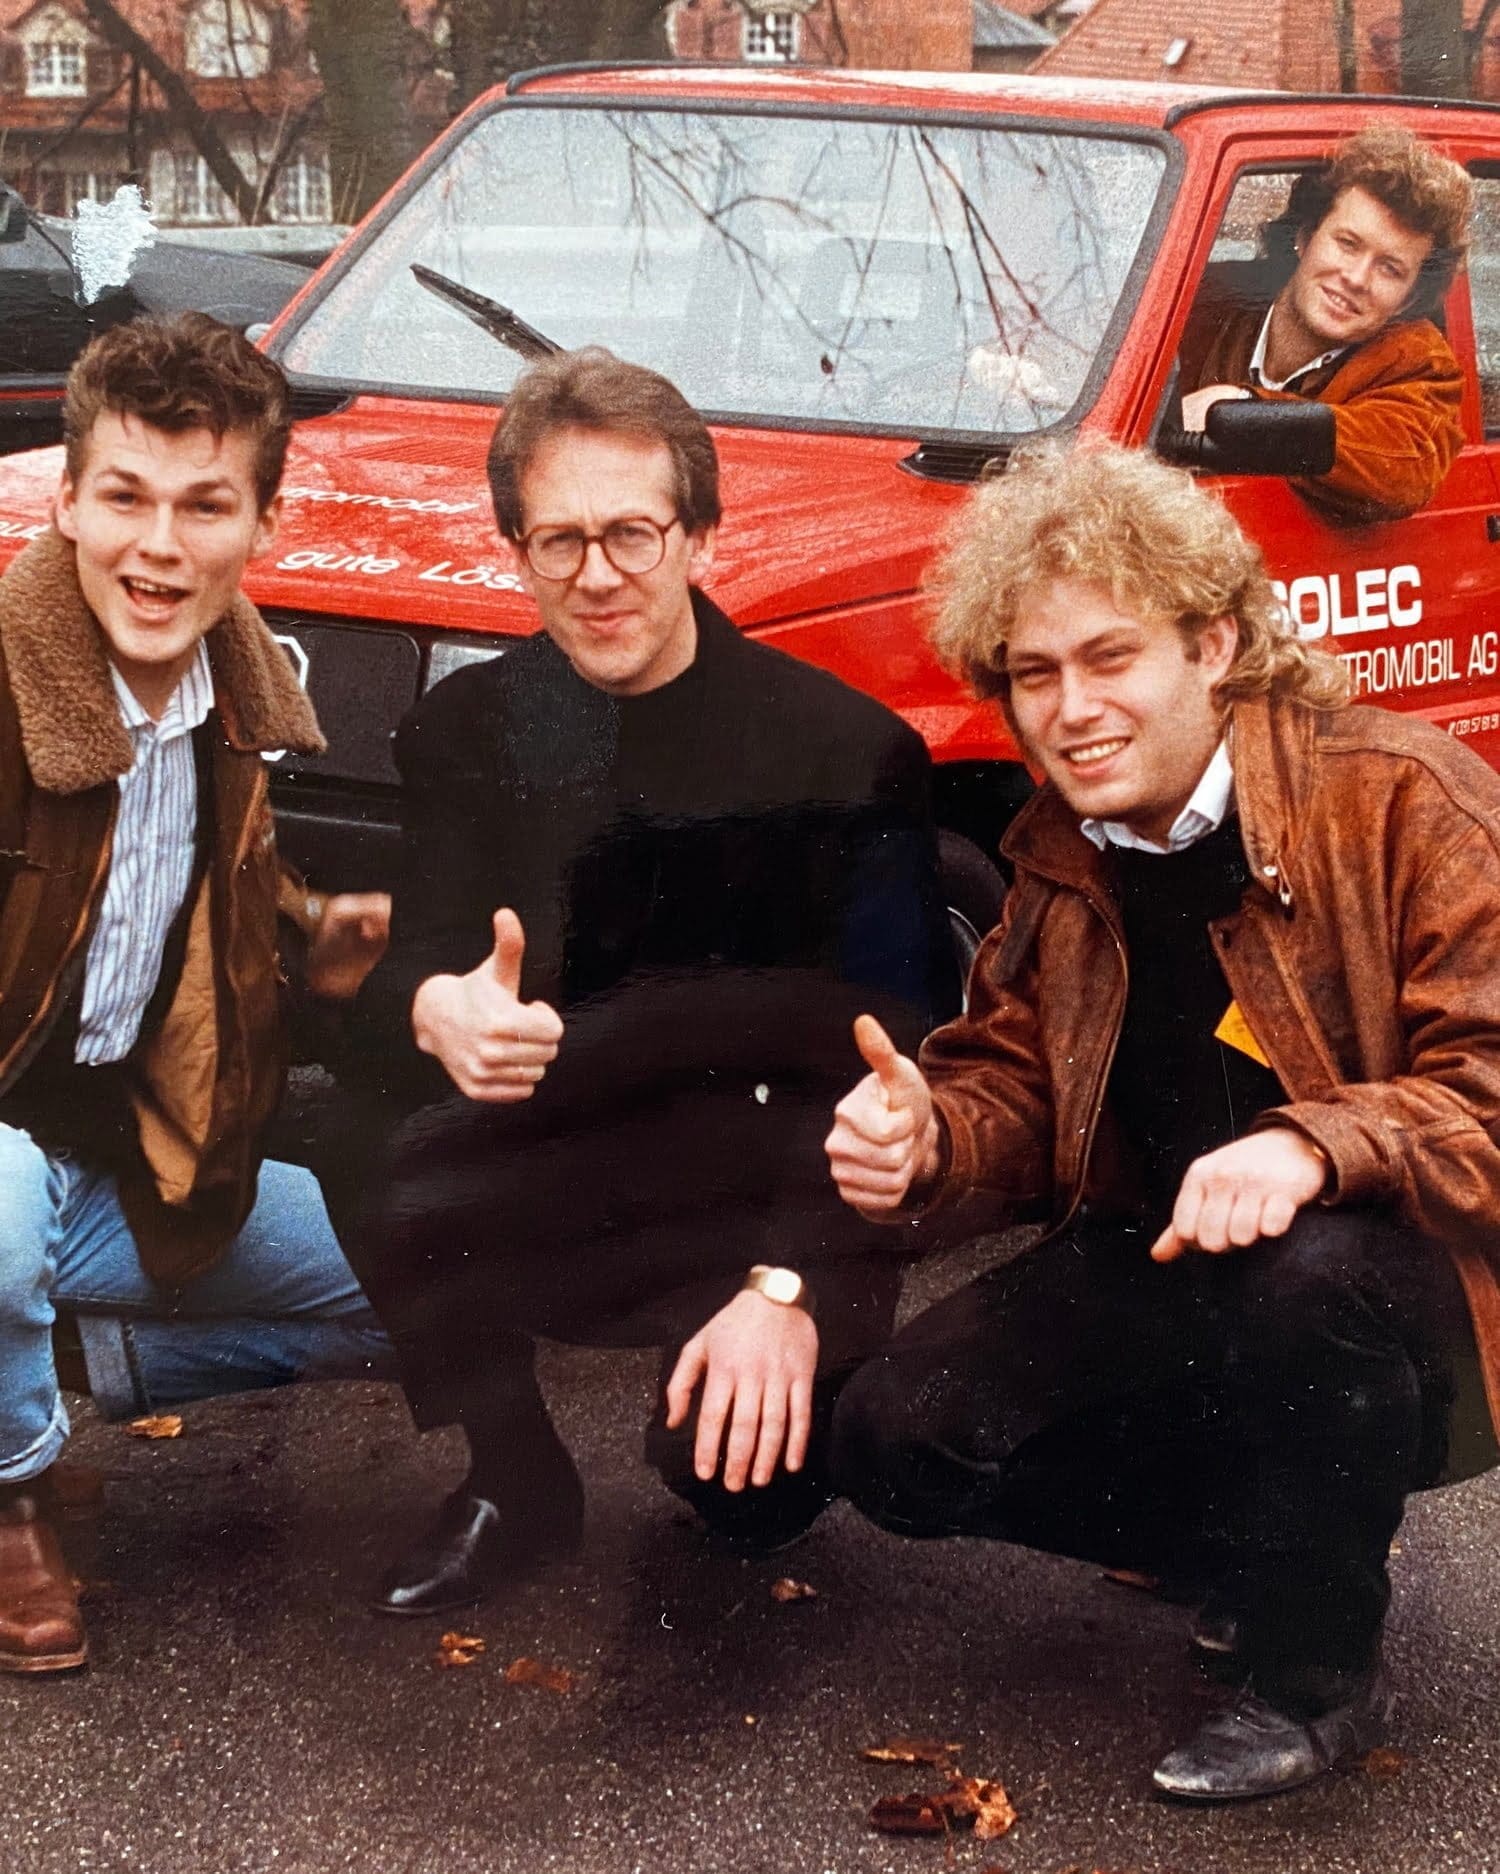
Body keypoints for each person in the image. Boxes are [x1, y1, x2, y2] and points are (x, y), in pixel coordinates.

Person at [823, 441, 1500, 1801]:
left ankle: (1315, 1669)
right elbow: (1013, 1079)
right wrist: (933, 1136)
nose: (1071, 707)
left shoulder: (1404, 796)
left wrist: (1316, 1141)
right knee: (896, 1438)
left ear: (1218, 643)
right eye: (1034, 671)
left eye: (1110, 656)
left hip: (1410, 1280)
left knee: (1309, 1278)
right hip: (1176, 1257)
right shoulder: (1061, 846)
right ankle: (1275, 1537)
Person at [333, 345, 955, 1618]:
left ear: (701, 536)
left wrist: (787, 1283)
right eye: (557, 540)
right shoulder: (473, 731)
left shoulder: (845, 750)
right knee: (364, 1121)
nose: (598, 574)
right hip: (578, 1158)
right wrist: (434, 1004)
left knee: (736, 1502)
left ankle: (762, 1399)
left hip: (781, 1182)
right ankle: (514, 1474)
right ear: (516, 548)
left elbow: (904, 1055)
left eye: (631, 531)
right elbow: (420, 951)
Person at [0, 313, 395, 1676]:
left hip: (114, 1155)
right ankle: (17, 1495)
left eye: (203, 505)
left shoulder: (235, 703)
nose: (158, 547)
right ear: (65, 499)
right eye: (124, 497)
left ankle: (42, 1374)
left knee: (417, 1278)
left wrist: (322, 965)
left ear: (261, 524)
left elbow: (198, 948)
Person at [1176, 125, 1472, 523]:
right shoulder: (1203, 300)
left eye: (1390, 268)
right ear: (1305, 237)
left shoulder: (1419, 359)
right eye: (1347, 243)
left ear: (1410, 297)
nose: (1356, 278)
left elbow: (1404, 463)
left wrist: (1248, 410)